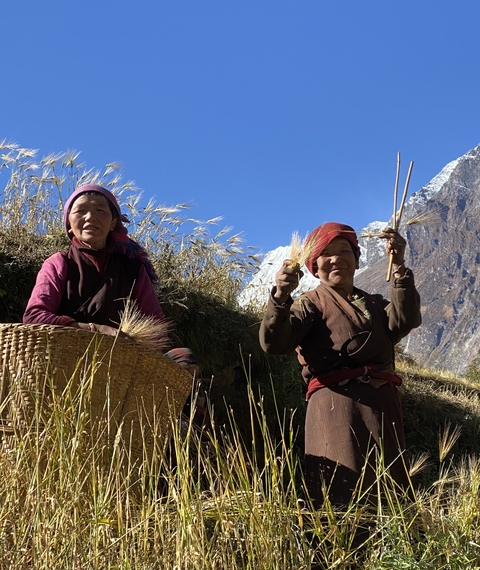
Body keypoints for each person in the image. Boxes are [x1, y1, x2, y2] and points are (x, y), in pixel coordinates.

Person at [259, 222, 421, 506]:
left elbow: (405, 320)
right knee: (339, 492)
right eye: (326, 254)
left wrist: (398, 266)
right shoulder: (310, 304)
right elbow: (275, 343)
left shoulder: (375, 305)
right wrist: (281, 296)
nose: (336, 259)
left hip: (383, 411)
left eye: (344, 251)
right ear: (314, 267)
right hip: (335, 409)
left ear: (357, 260)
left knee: (389, 491)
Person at [23, 184, 166, 338]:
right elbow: (34, 317)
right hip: (63, 353)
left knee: (183, 356)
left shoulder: (133, 270)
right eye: (80, 211)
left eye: (100, 211)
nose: (90, 217)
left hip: (119, 357)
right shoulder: (59, 262)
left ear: (113, 222)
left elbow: (157, 330)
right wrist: (95, 330)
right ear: (69, 223)